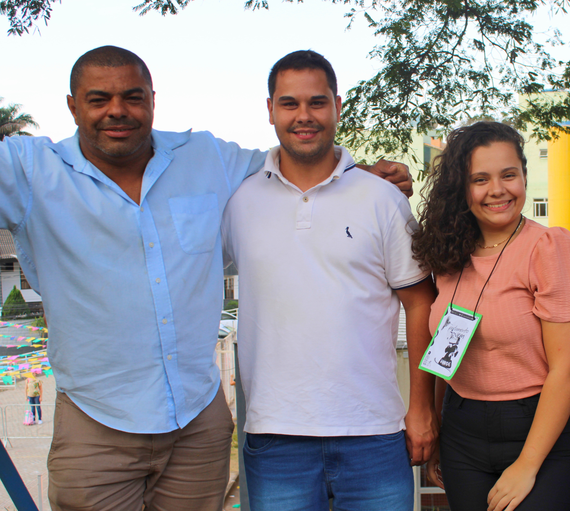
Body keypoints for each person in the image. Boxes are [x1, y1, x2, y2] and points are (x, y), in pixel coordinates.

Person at [0, 45, 411, 511]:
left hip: (196, 426)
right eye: (99, 99)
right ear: (73, 106)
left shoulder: (206, 158)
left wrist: (365, 175)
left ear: (153, 100)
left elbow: (300, 163)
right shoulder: (30, 170)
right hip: (98, 422)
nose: (117, 110)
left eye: (132, 97)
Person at [221, 50, 438, 511]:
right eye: (289, 103)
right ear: (270, 110)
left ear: (337, 107)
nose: (304, 115)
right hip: (275, 436)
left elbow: (421, 302)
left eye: (317, 102)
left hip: (374, 432)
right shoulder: (239, 200)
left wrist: (422, 407)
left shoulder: (381, 198)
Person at [412, 121, 570, 511]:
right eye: (480, 179)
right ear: (461, 189)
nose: (497, 190)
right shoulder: (448, 254)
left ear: (524, 178)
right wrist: (441, 431)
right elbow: (447, 352)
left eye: (508, 175)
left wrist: (527, 465)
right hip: (463, 430)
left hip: (545, 429)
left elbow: (568, 367)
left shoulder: (548, 247)